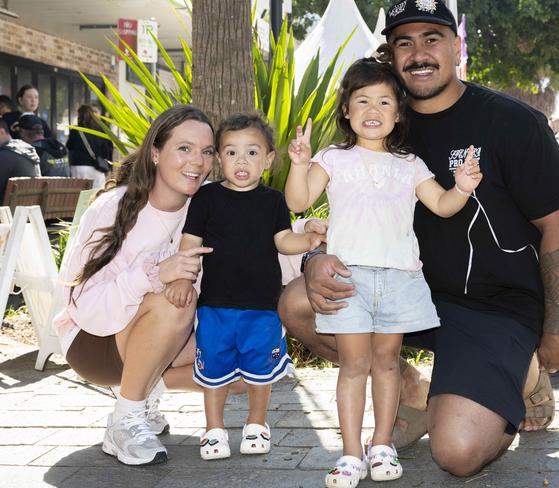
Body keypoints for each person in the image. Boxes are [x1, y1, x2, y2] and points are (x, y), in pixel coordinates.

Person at [278, 0, 559, 478]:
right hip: (403, 289)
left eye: (432, 38)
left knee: (457, 454)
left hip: (492, 306)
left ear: (456, 46)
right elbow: (331, 209)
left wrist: (558, 329)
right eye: (404, 42)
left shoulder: (511, 122)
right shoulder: (379, 121)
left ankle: (524, 372)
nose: (418, 53)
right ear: (390, 56)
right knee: (300, 301)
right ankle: (410, 391)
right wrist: (316, 256)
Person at [285, 58, 482, 487]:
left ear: (397, 113)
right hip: (348, 280)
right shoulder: (333, 158)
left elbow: (442, 205)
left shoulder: (409, 164)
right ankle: (352, 452)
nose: (373, 110)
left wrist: (463, 187)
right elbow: (299, 202)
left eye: (384, 101)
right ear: (346, 111)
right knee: (353, 367)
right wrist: (299, 164)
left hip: (399, 280)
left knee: (388, 364)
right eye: (362, 101)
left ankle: (382, 443)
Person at [52, 105, 217, 466]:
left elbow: (256, 246)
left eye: (207, 152)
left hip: (160, 337)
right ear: (156, 153)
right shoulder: (115, 207)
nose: (198, 161)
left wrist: (305, 243)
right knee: (177, 296)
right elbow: (86, 306)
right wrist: (156, 273)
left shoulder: (207, 207)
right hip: (92, 341)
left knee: (251, 362)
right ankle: (125, 420)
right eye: (184, 148)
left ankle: (145, 391)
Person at [163, 113, 325, 462]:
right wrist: (180, 277)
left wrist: (309, 239)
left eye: (252, 153)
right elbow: (190, 241)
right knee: (213, 371)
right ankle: (214, 429)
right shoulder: (206, 199)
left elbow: (283, 241)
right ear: (219, 158)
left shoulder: (273, 201)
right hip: (215, 305)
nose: (241, 161)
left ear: (267, 160)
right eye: (232, 152)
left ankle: (256, 423)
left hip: (263, 306)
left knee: (260, 370)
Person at [67, 104, 114, 188]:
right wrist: (109, 166)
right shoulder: (102, 130)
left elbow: (69, 146)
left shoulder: (76, 130)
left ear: (80, 115)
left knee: (79, 196)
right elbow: (108, 149)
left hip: (80, 167)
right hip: (98, 168)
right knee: (97, 197)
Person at [0, 117, 39, 202]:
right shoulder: (29, 150)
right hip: (32, 211)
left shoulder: (4, 155)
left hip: (8, 212)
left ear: (1, 132)